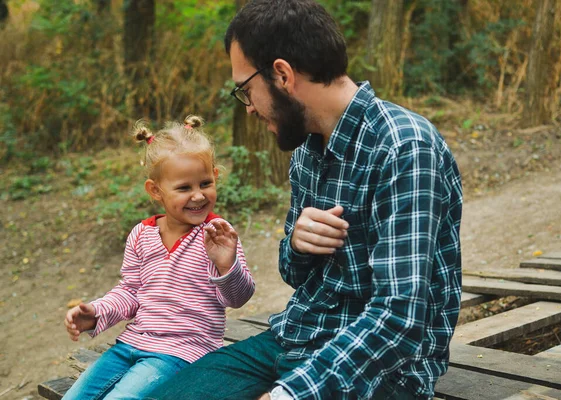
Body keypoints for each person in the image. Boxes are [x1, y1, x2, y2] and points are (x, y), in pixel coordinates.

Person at [148, 1, 462, 399]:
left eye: (246, 90)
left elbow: (398, 317)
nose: (248, 109)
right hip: (295, 337)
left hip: (384, 371)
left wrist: (290, 394)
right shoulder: (306, 151)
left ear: (282, 74)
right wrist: (297, 244)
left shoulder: (405, 147)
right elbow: (293, 274)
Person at [62, 115, 255, 400]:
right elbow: (130, 292)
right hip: (130, 345)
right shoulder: (142, 234)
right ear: (155, 190)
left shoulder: (218, 235)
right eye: (184, 188)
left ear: (216, 176)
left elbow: (238, 298)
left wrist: (227, 264)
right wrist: (95, 313)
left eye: (205, 183)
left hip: (182, 352)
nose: (198, 195)